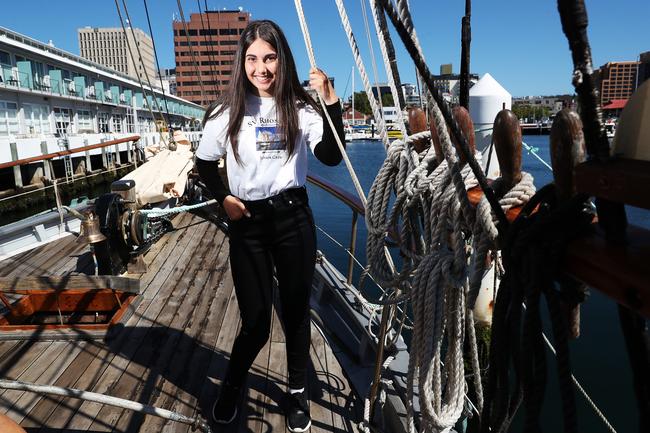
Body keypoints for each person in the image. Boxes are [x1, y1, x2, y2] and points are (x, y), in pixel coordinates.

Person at [195, 19, 344, 432]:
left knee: (296, 313)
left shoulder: (301, 108)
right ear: (242, 63)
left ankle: (297, 392)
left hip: (293, 218)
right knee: (257, 322)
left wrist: (330, 101)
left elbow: (332, 156)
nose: (261, 68)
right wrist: (224, 197)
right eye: (253, 58)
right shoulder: (226, 111)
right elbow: (204, 164)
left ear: (283, 60)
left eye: (270, 57)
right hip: (249, 226)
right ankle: (232, 385)